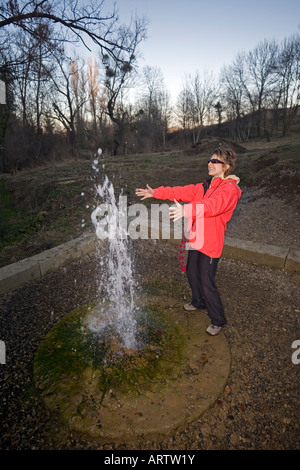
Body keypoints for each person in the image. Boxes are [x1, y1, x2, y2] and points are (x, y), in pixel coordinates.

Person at [136, 147, 242, 336]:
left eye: (215, 161)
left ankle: (218, 320)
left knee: (207, 281)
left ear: (226, 166)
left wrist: (187, 210)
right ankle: (198, 302)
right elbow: (181, 191)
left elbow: (213, 205)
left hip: (210, 243)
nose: (209, 163)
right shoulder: (205, 186)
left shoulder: (230, 189)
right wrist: (156, 193)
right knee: (192, 273)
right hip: (196, 238)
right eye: (209, 161)